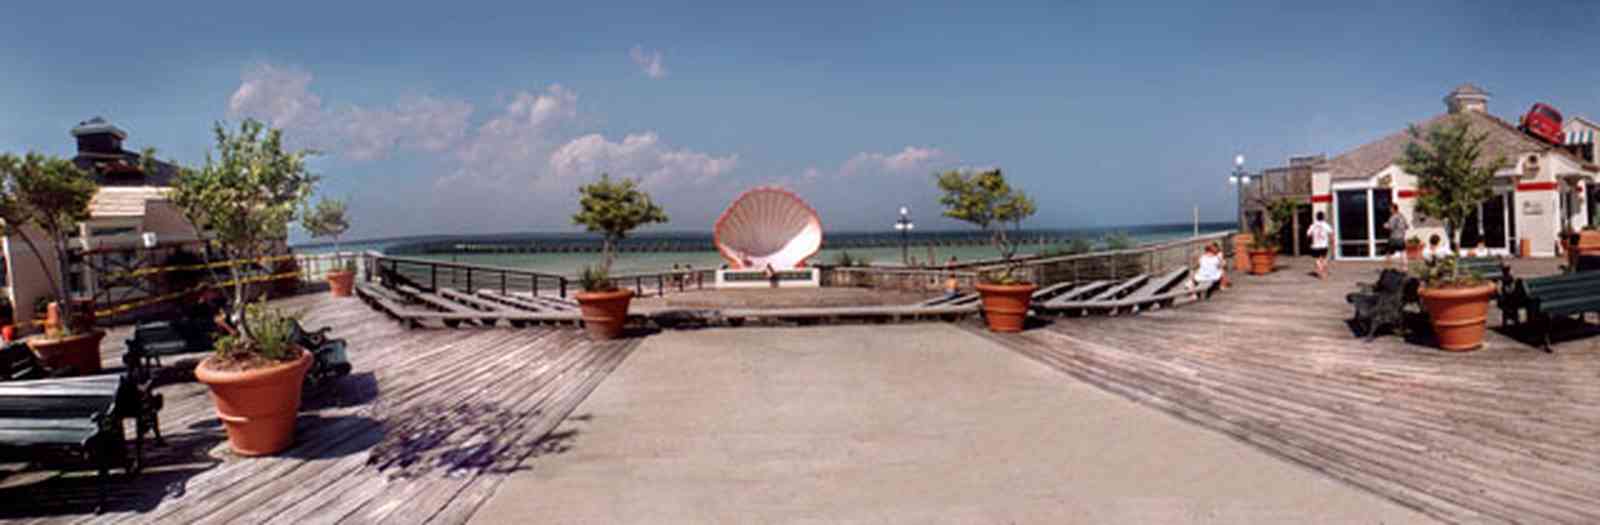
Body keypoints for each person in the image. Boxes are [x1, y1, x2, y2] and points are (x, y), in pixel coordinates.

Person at [1306, 211, 1334, 279]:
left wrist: (1310, 242)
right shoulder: (1326, 225)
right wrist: (1332, 241)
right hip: (1324, 245)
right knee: (1324, 259)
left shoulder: (1313, 225)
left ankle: (1320, 272)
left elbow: (1308, 234)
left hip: (1316, 245)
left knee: (1317, 259)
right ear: (1323, 217)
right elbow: (1331, 233)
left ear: (1316, 217)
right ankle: (1324, 273)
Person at [1384, 203, 1410, 269]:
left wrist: (1386, 225)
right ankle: (1405, 268)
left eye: (1390, 209)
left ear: (1393, 209)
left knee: (1388, 253)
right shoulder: (1402, 216)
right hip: (1401, 237)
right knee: (1403, 252)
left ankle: (1388, 268)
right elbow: (1407, 226)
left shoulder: (1393, 217)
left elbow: (1391, 227)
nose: (1389, 210)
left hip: (1394, 237)